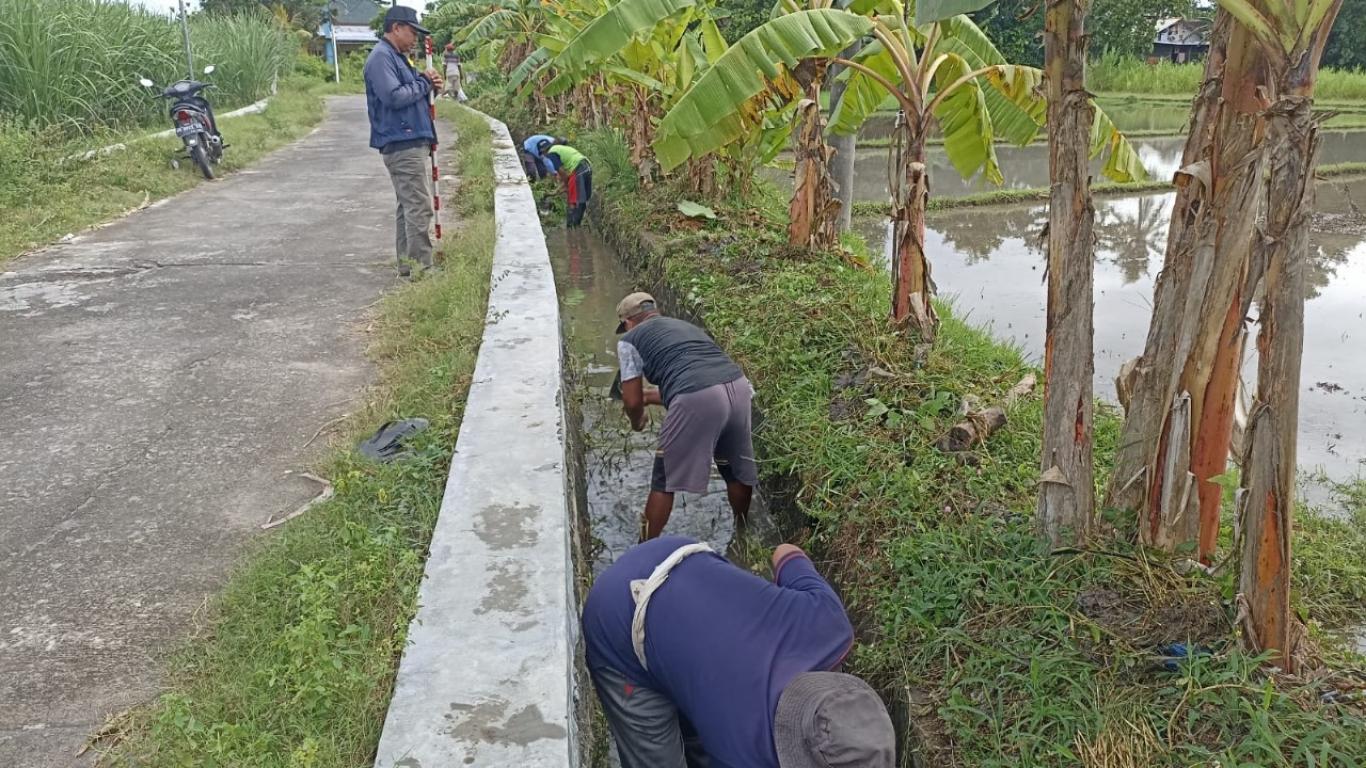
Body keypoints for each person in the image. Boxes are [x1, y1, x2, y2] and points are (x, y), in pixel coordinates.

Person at [582, 535, 896, 767]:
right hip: (621, 614)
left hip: (682, 555)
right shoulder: (744, 749)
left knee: (700, 734)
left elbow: (785, 552)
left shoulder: (830, 623)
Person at [614, 292, 757, 540]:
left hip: (698, 397)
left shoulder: (629, 340)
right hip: (738, 387)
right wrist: (650, 396)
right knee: (734, 469)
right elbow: (699, 380)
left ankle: (645, 548)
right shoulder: (686, 327)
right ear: (655, 312)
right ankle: (742, 534)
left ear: (627, 322)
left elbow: (632, 401)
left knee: (664, 480)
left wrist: (638, 421)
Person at [363, 5, 443, 277]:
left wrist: (431, 89)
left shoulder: (398, 58)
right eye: (412, 32)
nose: (415, 39)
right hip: (402, 142)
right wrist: (424, 83)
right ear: (396, 28)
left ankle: (409, 266)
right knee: (419, 207)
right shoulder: (381, 58)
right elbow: (394, 97)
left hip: (409, 139)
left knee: (407, 206)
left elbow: (412, 96)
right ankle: (423, 269)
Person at [539, 138, 592, 227]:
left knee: (574, 201)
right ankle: (576, 226)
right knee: (582, 199)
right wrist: (556, 191)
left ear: (544, 152)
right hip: (587, 167)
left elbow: (563, 173)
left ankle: (572, 227)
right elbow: (567, 177)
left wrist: (565, 186)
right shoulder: (560, 149)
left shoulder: (551, 153)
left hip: (578, 170)